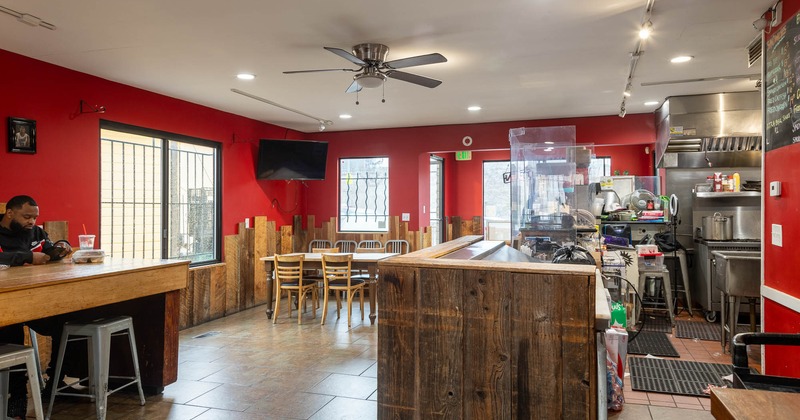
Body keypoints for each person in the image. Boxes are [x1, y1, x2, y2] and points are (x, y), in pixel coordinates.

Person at [0, 195, 72, 419]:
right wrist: (28, 257)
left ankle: (55, 383)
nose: (32, 222)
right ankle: (17, 396)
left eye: (35, 217)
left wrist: (61, 247)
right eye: (27, 217)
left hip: (33, 298)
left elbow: (50, 250)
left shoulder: (36, 232)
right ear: (9, 213)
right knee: (10, 331)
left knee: (66, 321)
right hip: (6, 302)